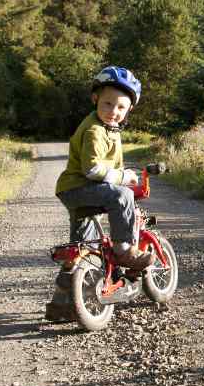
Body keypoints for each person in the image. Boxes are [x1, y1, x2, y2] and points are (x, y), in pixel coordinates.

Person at [44, 65, 150, 323]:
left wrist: (121, 172)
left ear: (129, 110)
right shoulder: (94, 130)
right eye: (107, 104)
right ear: (95, 100)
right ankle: (124, 250)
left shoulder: (108, 129)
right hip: (81, 187)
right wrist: (125, 177)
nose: (113, 111)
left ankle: (61, 304)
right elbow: (92, 169)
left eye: (120, 107)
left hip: (73, 191)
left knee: (82, 248)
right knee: (122, 196)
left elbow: (106, 166)